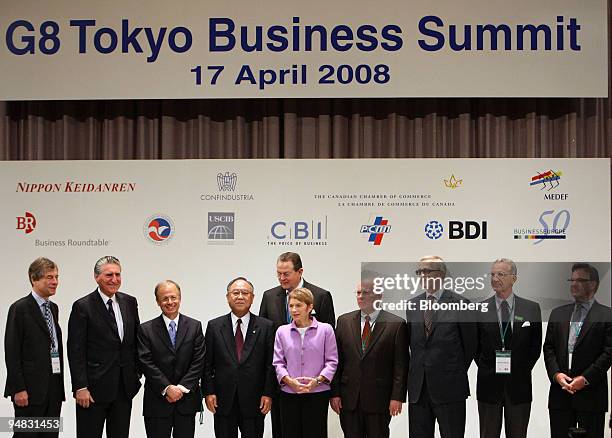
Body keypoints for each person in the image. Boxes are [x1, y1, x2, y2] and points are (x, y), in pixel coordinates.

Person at [259, 252, 335, 438]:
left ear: (300, 271)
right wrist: (279, 380)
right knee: (282, 431)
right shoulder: (269, 296)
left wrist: (319, 381)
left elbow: (330, 348)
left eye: (286, 274)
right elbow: (264, 341)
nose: (281, 278)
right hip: (282, 385)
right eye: (278, 273)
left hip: (315, 388)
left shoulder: (321, 296)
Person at [67, 256, 141, 438]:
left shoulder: (130, 302)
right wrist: (80, 386)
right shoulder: (82, 306)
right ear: (96, 277)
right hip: (92, 391)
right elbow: (75, 350)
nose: (114, 279)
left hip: (124, 389)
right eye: (109, 275)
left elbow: (135, 341)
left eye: (118, 274)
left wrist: (136, 374)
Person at [405, 255, 477, 438]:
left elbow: (470, 345)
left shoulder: (462, 304)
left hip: (450, 389)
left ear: (441, 274)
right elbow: (413, 344)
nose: (422, 275)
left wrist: (451, 370)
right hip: (419, 390)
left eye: (426, 271)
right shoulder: (412, 305)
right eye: (419, 271)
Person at [330, 276, 408, 438]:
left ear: (379, 295)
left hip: (379, 400)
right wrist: (335, 393)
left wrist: (397, 397)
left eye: (365, 292)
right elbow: (337, 361)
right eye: (358, 292)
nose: (360, 296)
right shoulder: (344, 321)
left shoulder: (396, 324)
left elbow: (400, 365)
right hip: (349, 399)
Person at [475, 258, 542, 438]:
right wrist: (488, 367)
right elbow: (475, 348)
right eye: (493, 274)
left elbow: (535, 347)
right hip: (489, 387)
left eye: (501, 274)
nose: (495, 278)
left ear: (514, 279)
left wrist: (519, 368)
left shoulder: (531, 309)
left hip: (519, 387)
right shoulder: (479, 309)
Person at [543, 263, 612, 438]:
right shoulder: (558, 313)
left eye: (580, 280)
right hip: (561, 394)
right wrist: (556, 375)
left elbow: (609, 352)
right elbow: (549, 348)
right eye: (572, 280)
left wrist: (586, 378)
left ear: (593, 284)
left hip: (591, 395)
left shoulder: (606, 315)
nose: (574, 284)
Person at [203, 277, 275, 438]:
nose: (240, 296)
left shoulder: (266, 326)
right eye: (235, 293)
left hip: (255, 399)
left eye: (245, 293)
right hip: (223, 399)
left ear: (252, 297)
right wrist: (208, 392)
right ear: (228, 297)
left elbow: (270, 364)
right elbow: (207, 364)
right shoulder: (214, 326)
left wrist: (268, 393)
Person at [4, 257, 65, 438]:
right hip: (29, 392)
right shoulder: (19, 309)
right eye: (49, 277)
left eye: (56, 277)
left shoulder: (53, 308)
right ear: (33, 278)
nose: (55, 282)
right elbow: (12, 351)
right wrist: (18, 388)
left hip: (52, 389)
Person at [137, 280, 205, 438]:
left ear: (180, 298)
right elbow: (145, 362)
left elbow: (198, 361)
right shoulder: (146, 330)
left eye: (173, 297)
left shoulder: (194, 326)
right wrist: (167, 388)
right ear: (157, 302)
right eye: (165, 298)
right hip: (157, 402)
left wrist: (181, 388)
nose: (170, 302)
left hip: (186, 401)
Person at [272, 287, 338, 438]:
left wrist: (316, 381)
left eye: (298, 305)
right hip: (289, 393)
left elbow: (332, 361)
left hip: (317, 393)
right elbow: (278, 362)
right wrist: (290, 382)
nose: (294, 309)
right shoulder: (281, 331)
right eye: (291, 305)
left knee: (315, 433)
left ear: (310, 307)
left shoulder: (325, 330)